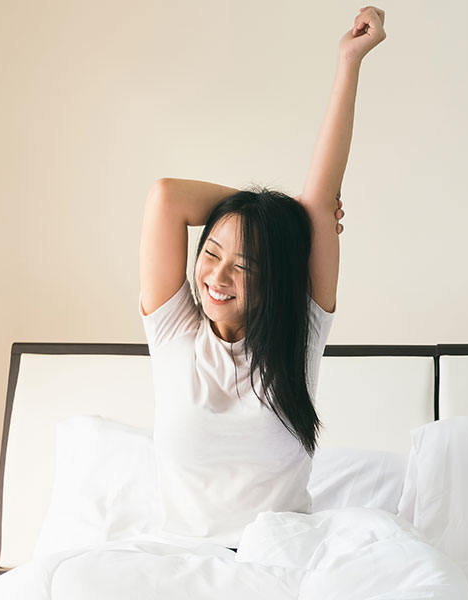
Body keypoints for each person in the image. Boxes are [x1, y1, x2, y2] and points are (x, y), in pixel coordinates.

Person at [137, 7, 386, 547]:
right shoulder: (174, 329)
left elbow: (319, 200)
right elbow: (165, 197)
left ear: (274, 279)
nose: (218, 276)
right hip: (182, 563)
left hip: (282, 560)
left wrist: (350, 61)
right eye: (213, 252)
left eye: (246, 265)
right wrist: (265, 217)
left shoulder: (301, 335)